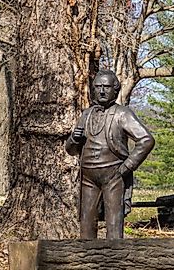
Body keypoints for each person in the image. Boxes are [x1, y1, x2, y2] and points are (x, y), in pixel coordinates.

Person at [65, 70, 155, 239]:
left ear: (115, 89)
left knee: (114, 223)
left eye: (106, 87)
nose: (102, 91)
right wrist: (74, 139)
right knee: (86, 223)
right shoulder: (87, 114)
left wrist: (127, 166)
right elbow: (71, 150)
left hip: (113, 175)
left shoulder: (123, 113)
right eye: (98, 87)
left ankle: (115, 260)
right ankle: (88, 259)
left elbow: (146, 140)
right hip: (88, 177)